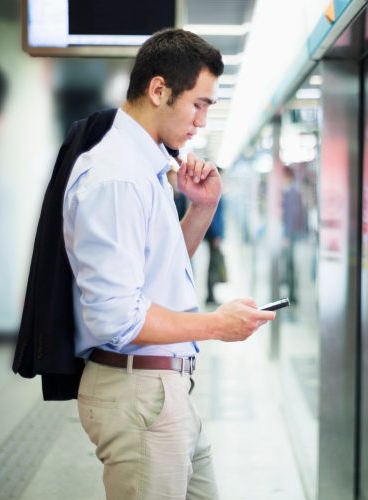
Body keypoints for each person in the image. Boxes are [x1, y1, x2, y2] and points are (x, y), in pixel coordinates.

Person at [62, 29, 275, 499]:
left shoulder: (148, 169)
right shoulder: (117, 178)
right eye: (198, 104)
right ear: (159, 90)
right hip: (139, 395)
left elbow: (156, 272)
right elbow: (117, 316)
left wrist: (201, 209)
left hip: (163, 392)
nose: (201, 121)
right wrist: (216, 325)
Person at [281, 166, 305, 303]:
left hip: (291, 235)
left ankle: (292, 294)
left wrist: (286, 236)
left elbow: (292, 215)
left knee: (291, 263)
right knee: (288, 263)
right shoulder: (288, 192)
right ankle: (290, 291)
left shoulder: (293, 193)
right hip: (289, 234)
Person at [205, 196, 226, 305]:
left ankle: (211, 294)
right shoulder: (216, 193)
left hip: (213, 235)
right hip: (214, 236)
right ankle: (210, 295)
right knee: (213, 266)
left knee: (212, 265)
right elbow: (215, 216)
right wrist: (217, 234)